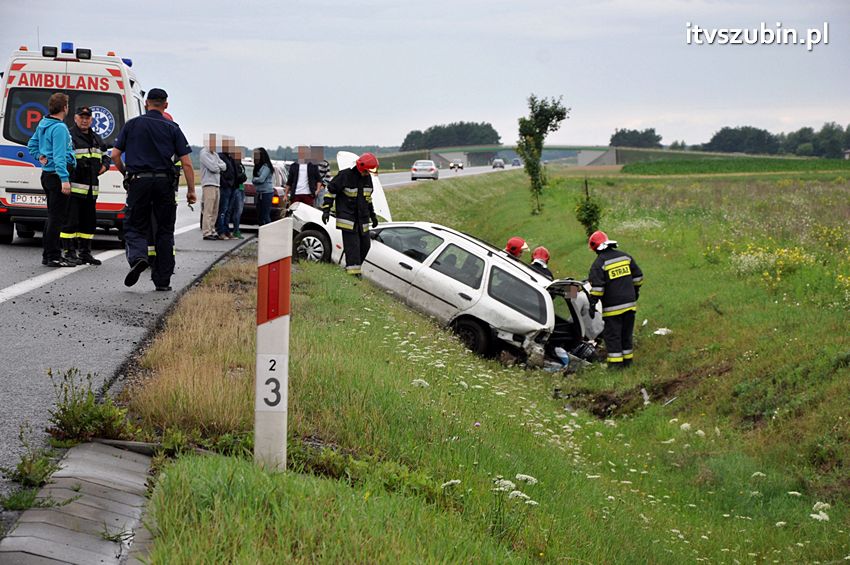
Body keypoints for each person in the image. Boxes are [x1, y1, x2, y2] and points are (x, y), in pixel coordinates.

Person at [112, 88, 196, 291]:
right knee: (165, 231)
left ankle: (139, 257)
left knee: (134, 225)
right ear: (166, 105)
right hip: (164, 184)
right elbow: (186, 163)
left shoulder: (132, 125)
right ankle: (163, 281)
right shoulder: (172, 127)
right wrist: (191, 190)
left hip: (138, 182)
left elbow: (115, 155)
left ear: (147, 102)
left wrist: (126, 173)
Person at [26, 92, 76, 267]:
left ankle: (48, 254)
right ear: (64, 108)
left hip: (47, 174)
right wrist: (64, 179)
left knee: (52, 216)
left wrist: (39, 156)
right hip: (57, 175)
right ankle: (54, 255)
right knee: (57, 218)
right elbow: (60, 155)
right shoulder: (60, 128)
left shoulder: (44, 123)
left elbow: (31, 145)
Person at [58, 106, 111, 266]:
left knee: (89, 222)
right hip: (74, 188)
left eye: (87, 117)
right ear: (75, 118)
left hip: (91, 189)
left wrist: (105, 166)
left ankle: (85, 253)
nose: (84, 119)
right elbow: (65, 158)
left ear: (91, 120)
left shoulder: (96, 137)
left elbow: (105, 155)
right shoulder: (69, 136)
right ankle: (69, 252)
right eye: (81, 117)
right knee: (71, 221)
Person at [587, 230, 644, 368]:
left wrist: (592, 302)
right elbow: (638, 277)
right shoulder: (625, 257)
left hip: (613, 310)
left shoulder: (598, 264)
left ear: (595, 248)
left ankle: (615, 366)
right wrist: (635, 291)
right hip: (630, 305)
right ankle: (628, 363)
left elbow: (598, 289)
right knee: (626, 335)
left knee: (613, 337)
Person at [321, 152, 380, 276]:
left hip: (362, 219)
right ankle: (353, 274)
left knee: (365, 246)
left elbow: (368, 198)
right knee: (353, 247)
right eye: (366, 171)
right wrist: (326, 210)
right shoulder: (345, 176)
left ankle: (354, 269)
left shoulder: (367, 178)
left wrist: (373, 215)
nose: (367, 173)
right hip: (348, 219)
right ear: (361, 167)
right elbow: (331, 192)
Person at [200, 134, 226, 240]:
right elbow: (212, 168)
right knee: (208, 209)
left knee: (215, 210)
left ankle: (212, 229)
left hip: (216, 184)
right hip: (208, 184)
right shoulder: (204, 153)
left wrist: (217, 166)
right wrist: (218, 166)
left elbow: (224, 166)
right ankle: (206, 232)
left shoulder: (215, 155)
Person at [216, 137, 238, 239]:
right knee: (223, 210)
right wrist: (226, 183)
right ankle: (221, 231)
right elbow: (221, 172)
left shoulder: (230, 157)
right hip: (225, 187)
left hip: (232, 187)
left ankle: (226, 230)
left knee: (228, 210)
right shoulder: (220, 156)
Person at [227, 149, 248, 238]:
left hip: (240, 188)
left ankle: (234, 229)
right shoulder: (234, 164)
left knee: (236, 211)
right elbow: (237, 177)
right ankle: (234, 230)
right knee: (235, 211)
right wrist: (242, 177)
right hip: (236, 189)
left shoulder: (239, 164)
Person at [252, 147, 275, 225]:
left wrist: (254, 179)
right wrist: (255, 179)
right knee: (259, 215)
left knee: (265, 214)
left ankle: (268, 231)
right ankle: (261, 230)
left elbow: (261, 179)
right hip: (259, 192)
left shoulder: (266, 166)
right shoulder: (258, 166)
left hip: (266, 193)